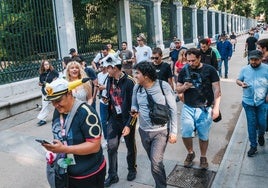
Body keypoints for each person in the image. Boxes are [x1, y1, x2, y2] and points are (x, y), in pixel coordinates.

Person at [42, 78, 106, 188]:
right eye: (52, 101)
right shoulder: (58, 112)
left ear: (69, 93)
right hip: (67, 173)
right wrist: (54, 151)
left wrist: (64, 149)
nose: (55, 105)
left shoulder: (86, 113)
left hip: (88, 175)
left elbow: (94, 146)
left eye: (58, 100)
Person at [131, 61, 177, 188]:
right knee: (154, 162)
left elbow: (173, 110)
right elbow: (134, 104)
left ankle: (161, 186)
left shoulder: (163, 86)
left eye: (137, 73)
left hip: (161, 131)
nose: (135, 76)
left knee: (156, 162)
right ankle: (160, 181)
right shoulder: (137, 87)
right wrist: (134, 110)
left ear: (146, 75)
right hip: (144, 131)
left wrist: (173, 132)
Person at [176, 48, 221, 169]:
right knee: (185, 133)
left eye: (193, 61)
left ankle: (203, 156)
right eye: (188, 61)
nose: (190, 63)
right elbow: (178, 89)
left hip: (204, 108)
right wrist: (184, 87)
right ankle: (190, 153)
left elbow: (217, 89)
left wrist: (216, 107)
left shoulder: (210, 70)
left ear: (199, 58)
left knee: (203, 135)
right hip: (188, 107)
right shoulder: (184, 70)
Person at [101, 54, 137, 187]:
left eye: (108, 68)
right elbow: (109, 95)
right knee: (111, 147)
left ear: (114, 68)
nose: (105, 70)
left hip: (127, 119)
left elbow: (135, 106)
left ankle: (132, 168)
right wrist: (106, 99)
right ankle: (112, 175)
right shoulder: (109, 79)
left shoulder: (130, 82)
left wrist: (129, 124)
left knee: (129, 145)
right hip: (114, 118)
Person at [236, 50, 268, 157]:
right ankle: (253, 146)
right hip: (248, 101)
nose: (253, 62)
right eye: (251, 60)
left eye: (256, 60)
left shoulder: (266, 69)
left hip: (262, 102)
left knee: (262, 123)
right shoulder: (245, 69)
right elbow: (238, 80)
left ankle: (261, 135)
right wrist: (241, 83)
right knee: (251, 124)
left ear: (261, 59)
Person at [37, 60, 59, 126]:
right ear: (43, 66)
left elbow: (58, 79)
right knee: (45, 105)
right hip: (45, 91)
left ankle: (60, 115)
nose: (46, 65)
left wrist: (55, 80)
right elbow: (41, 82)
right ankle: (43, 119)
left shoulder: (54, 72)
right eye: (45, 64)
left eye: (47, 64)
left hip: (53, 90)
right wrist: (41, 84)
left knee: (57, 103)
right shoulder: (42, 74)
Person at [97, 64, 109, 149]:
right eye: (100, 64)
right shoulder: (99, 75)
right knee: (103, 121)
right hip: (102, 101)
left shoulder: (110, 74)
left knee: (117, 119)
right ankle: (106, 139)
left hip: (111, 100)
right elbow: (98, 85)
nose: (101, 66)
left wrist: (104, 87)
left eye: (102, 64)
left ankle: (121, 135)